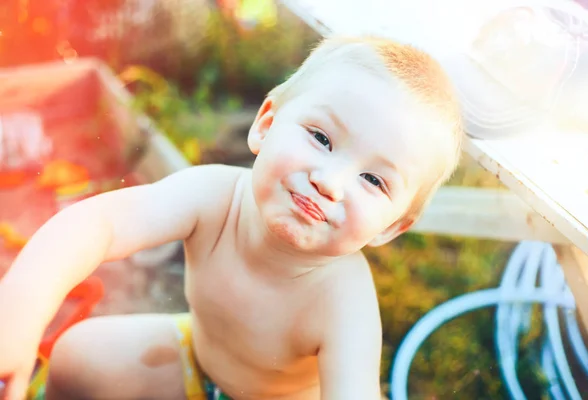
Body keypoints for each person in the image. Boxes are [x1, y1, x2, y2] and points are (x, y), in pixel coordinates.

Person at [0, 36, 463, 400]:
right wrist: (19, 315)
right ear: (265, 124)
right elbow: (99, 225)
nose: (330, 182)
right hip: (195, 360)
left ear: (391, 226)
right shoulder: (213, 197)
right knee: (76, 356)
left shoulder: (345, 302)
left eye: (374, 180)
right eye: (321, 138)